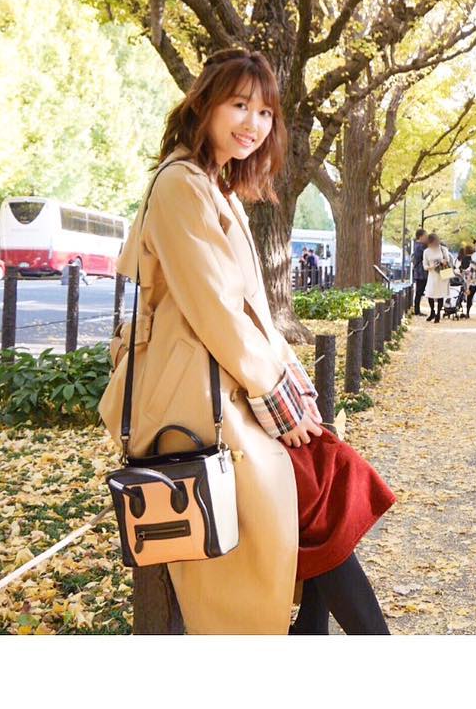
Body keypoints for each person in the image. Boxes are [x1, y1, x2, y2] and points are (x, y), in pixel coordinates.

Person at [97, 47, 394, 635]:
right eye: (239, 106)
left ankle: (318, 633)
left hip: (227, 382)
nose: (252, 124)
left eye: (264, 113)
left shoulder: (218, 188)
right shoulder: (181, 185)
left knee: (327, 483)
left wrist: (292, 388)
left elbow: (252, 311)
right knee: (312, 489)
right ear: (205, 105)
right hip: (196, 397)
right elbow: (216, 310)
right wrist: (278, 399)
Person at [421, 233, 453, 323]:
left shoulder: (443, 249)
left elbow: (448, 260)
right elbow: (425, 265)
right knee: (430, 293)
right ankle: (432, 311)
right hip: (432, 274)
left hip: (442, 274)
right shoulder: (426, 251)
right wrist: (431, 267)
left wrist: (443, 261)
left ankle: (438, 313)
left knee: (440, 294)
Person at [412, 228, 428, 315]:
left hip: (420, 272)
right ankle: (417, 310)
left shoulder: (418, 245)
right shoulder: (420, 246)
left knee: (420, 292)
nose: (426, 238)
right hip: (421, 272)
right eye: (425, 236)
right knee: (419, 292)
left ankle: (417, 310)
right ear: (421, 236)